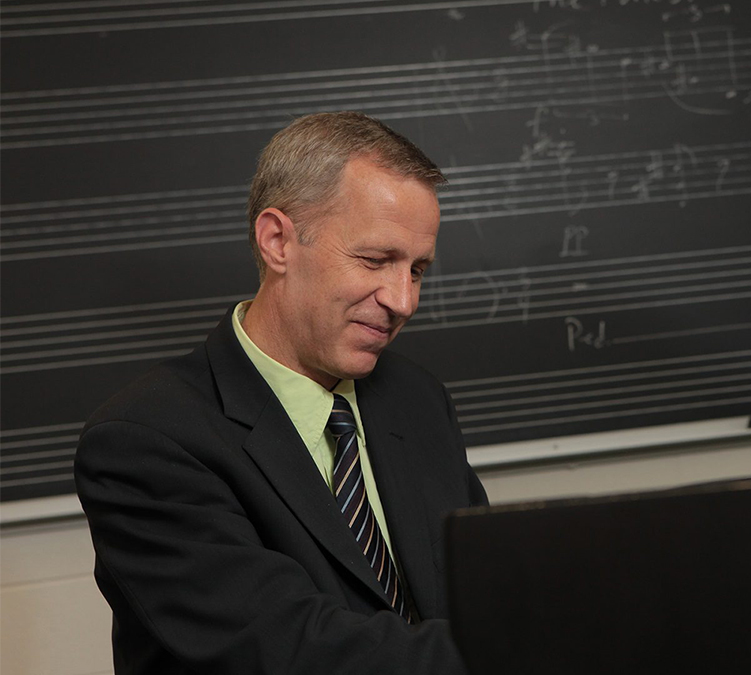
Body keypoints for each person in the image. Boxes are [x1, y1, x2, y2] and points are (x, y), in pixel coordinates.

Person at [74, 112, 487, 674]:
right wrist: (522, 644)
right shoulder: (145, 441)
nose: (403, 301)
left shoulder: (416, 398)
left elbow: (483, 588)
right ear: (277, 242)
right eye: (375, 260)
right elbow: (292, 651)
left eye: (418, 270)